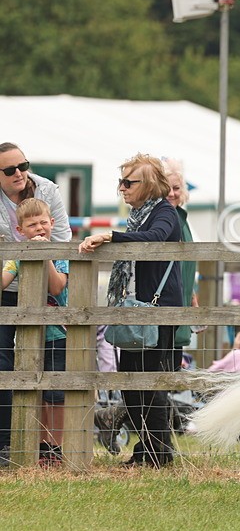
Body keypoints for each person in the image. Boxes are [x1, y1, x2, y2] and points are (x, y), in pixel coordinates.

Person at [79, 154, 183, 467]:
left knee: (151, 384)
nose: (121, 188)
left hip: (158, 309)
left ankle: (157, 453)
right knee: (132, 384)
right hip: (136, 309)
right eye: (120, 182)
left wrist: (113, 236)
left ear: (149, 185)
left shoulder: (164, 212)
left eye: (128, 182)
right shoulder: (139, 215)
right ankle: (149, 451)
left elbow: (155, 239)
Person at [0, 143, 71, 463]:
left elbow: (61, 247)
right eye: (9, 170)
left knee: (52, 378)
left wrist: (39, 254)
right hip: (10, 280)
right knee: (7, 366)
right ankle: (10, 443)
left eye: (22, 166)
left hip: (48, 294)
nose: (18, 173)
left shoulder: (48, 191)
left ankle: (52, 447)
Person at [164, 159, 199, 350]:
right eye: (166, 188)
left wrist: (191, 293)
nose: (172, 193)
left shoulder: (181, 217)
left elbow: (183, 264)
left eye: (176, 188)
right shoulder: (166, 218)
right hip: (167, 309)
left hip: (182, 302)